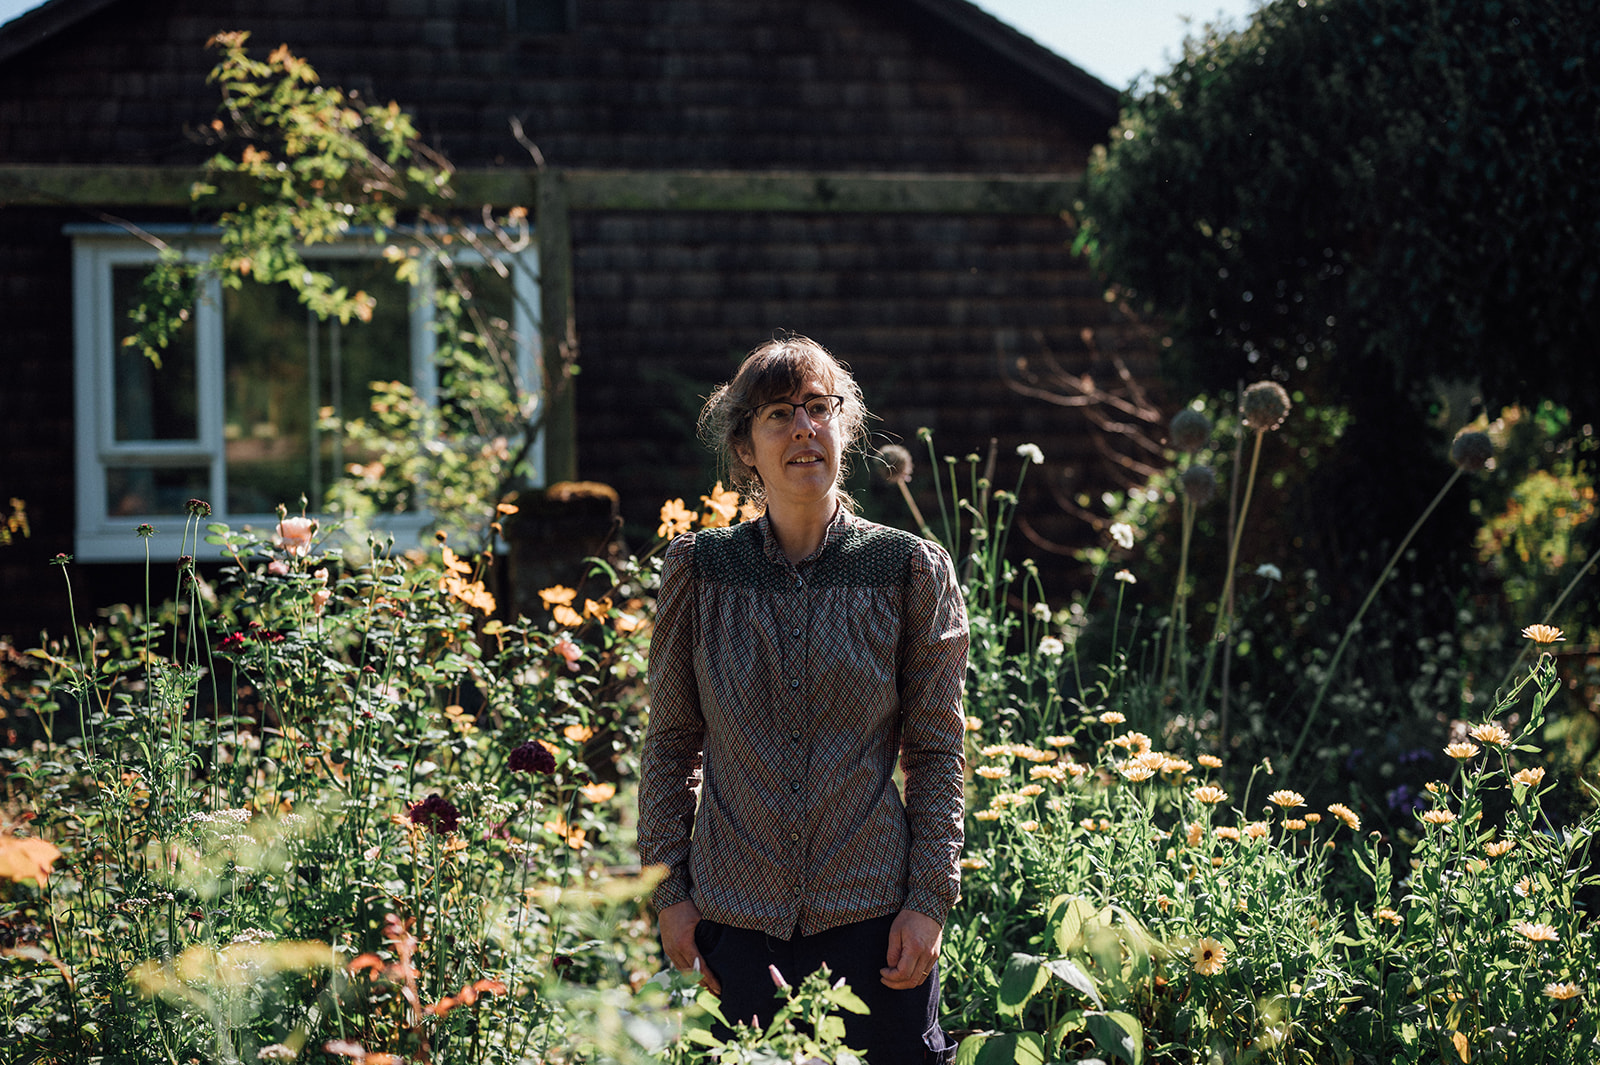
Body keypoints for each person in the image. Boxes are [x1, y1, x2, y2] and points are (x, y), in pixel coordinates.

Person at [637, 335, 969, 1063]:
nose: (803, 428)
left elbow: (937, 751)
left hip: (876, 924)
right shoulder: (700, 570)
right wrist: (671, 896)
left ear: (845, 428)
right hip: (733, 930)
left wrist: (927, 901)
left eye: (819, 408)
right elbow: (671, 743)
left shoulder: (909, 570)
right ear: (745, 448)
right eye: (778, 413)